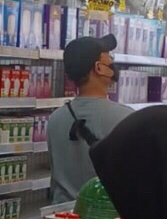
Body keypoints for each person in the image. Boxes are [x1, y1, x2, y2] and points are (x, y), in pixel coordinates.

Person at [47, 35, 132, 205]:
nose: (113, 64)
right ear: (98, 68)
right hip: (102, 215)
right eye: (109, 59)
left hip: (62, 215)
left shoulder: (54, 119)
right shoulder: (126, 118)